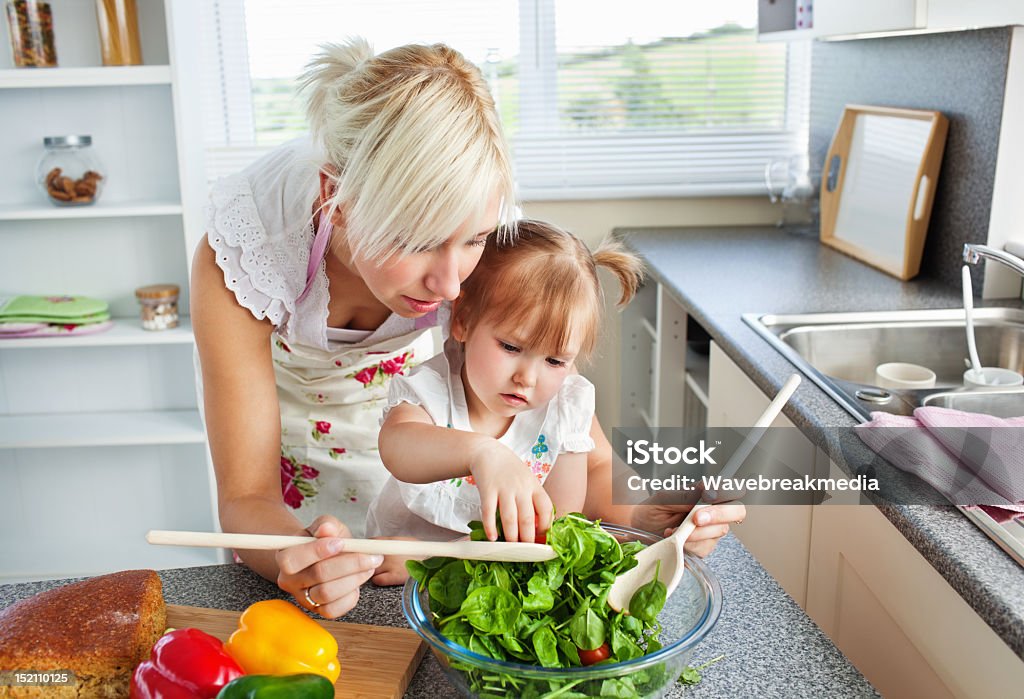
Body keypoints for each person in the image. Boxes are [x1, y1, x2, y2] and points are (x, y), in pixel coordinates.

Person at [192, 38, 744, 619]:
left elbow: (569, 438)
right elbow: (246, 495)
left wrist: (650, 514)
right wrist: (294, 559)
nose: (453, 287)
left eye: (474, 239)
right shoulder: (251, 248)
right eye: (417, 241)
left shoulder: (474, 220)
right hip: (292, 448)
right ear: (338, 199)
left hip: (419, 440)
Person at [368, 220, 641, 564]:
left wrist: (644, 516)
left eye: (555, 360)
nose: (527, 377)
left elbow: (572, 508)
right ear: (463, 320)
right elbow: (397, 444)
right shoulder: (432, 391)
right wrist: (482, 452)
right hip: (405, 567)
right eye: (511, 347)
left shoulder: (564, 404)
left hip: (505, 583)